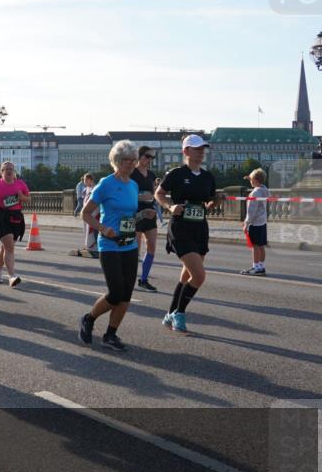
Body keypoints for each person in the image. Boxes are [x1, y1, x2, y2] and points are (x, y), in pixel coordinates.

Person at [77, 141, 154, 351]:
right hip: (109, 245)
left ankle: (110, 334)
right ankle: (89, 318)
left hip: (129, 245)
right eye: (125, 160)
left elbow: (127, 216)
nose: (129, 164)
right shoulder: (106, 184)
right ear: (116, 162)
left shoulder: (133, 185)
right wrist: (102, 228)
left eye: (132, 160)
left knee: (126, 294)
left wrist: (142, 214)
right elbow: (85, 213)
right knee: (115, 293)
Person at [155, 134, 219, 334]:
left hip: (200, 228)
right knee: (198, 276)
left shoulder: (208, 177)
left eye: (203, 149)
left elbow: (208, 205)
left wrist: (217, 201)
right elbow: (159, 194)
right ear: (186, 151)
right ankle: (179, 313)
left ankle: (170, 312)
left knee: (186, 275)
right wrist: (170, 206)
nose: (201, 152)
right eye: (197, 148)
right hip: (180, 228)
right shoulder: (176, 173)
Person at [0, 161, 30, 286]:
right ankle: (12, 276)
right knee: (9, 247)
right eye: (5, 169)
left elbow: (28, 198)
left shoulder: (20, 184)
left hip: (16, 218)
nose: (9, 171)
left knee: (5, 247)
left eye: (11, 169)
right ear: (1, 172)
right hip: (0, 216)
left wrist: (21, 197)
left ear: (14, 172)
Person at [132, 146, 159, 291]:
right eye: (147, 157)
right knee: (134, 250)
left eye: (152, 158)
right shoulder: (131, 173)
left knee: (152, 247)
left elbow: (155, 194)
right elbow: (125, 194)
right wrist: (140, 196)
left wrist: (155, 195)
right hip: (135, 214)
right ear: (139, 156)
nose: (150, 160)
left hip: (150, 213)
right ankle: (129, 278)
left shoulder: (152, 175)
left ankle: (143, 279)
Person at [240, 168, 269, 276]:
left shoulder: (255, 193)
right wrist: (251, 176)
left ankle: (256, 267)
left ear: (256, 180)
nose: (250, 181)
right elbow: (258, 181)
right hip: (263, 221)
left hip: (255, 222)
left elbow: (252, 211)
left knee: (255, 246)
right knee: (261, 245)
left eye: (251, 179)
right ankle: (261, 266)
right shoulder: (264, 190)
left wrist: (246, 223)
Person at [80, 173, 98, 255]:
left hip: (94, 212)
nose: (84, 181)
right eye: (84, 180)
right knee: (86, 230)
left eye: (86, 180)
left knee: (93, 230)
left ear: (91, 180)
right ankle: (87, 244)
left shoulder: (95, 188)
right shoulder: (85, 189)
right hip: (86, 213)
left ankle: (94, 246)